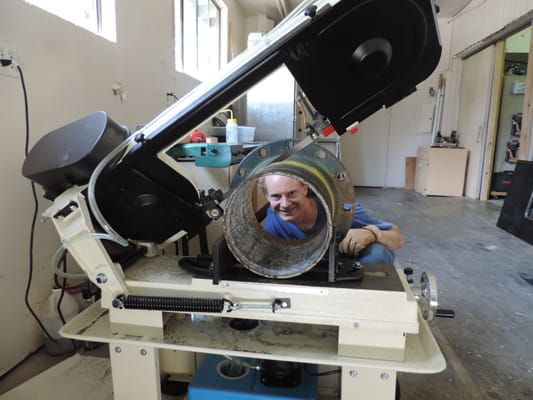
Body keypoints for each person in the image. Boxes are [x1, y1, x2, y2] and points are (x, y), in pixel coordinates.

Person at [259, 174, 404, 264]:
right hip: (313, 274)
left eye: (291, 193)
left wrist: (373, 234)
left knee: (377, 254)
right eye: (276, 196)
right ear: (267, 196)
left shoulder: (340, 207)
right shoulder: (274, 220)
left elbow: (397, 237)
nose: (285, 204)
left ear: (304, 188)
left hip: (348, 269)